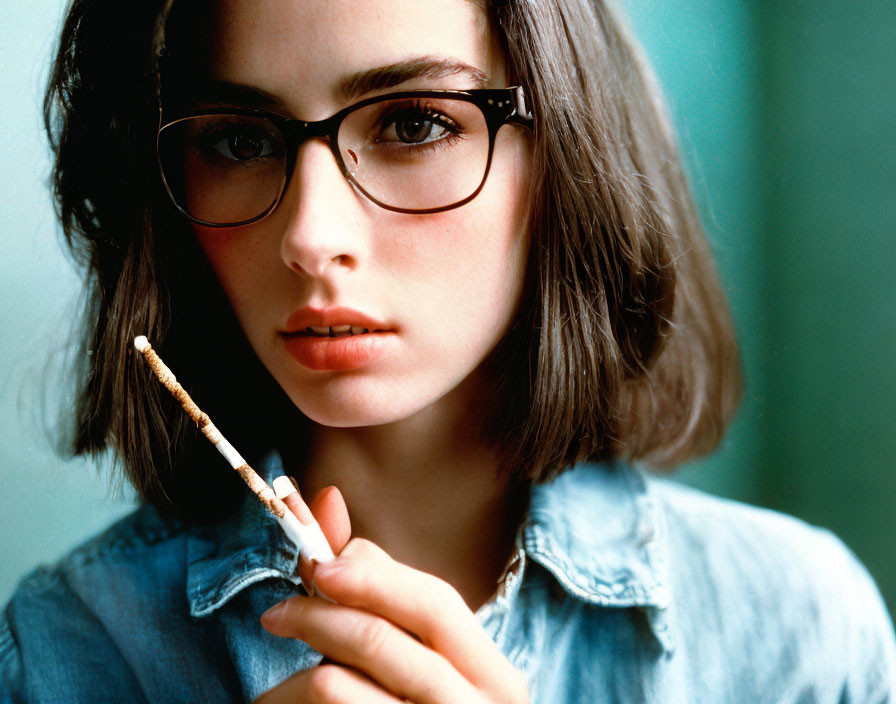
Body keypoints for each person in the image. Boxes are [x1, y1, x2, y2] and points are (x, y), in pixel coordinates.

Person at [2, 0, 895, 701]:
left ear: (564, 151)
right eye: (238, 140)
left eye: (412, 124)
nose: (309, 237)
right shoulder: (67, 652)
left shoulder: (798, 633)